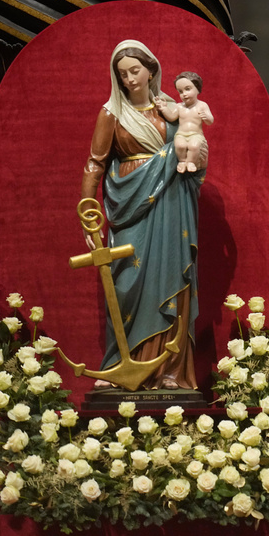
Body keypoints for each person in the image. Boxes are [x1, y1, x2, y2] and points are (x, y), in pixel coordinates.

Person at [80, 40, 204, 391]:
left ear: (151, 69)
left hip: (172, 201)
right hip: (130, 205)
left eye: (135, 71)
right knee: (126, 286)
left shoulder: (171, 110)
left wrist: (196, 159)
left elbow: (193, 145)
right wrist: (87, 213)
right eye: (122, 74)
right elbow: (95, 163)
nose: (130, 79)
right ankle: (122, 365)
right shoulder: (112, 114)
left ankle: (170, 372)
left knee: (172, 276)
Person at [158, 71, 213, 173]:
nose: (184, 94)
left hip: (196, 134)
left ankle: (191, 162)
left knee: (194, 146)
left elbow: (210, 121)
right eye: (180, 91)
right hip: (181, 134)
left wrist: (206, 117)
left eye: (187, 89)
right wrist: (164, 108)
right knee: (180, 145)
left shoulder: (202, 105)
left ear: (197, 88)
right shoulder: (179, 106)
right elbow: (171, 117)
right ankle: (182, 161)